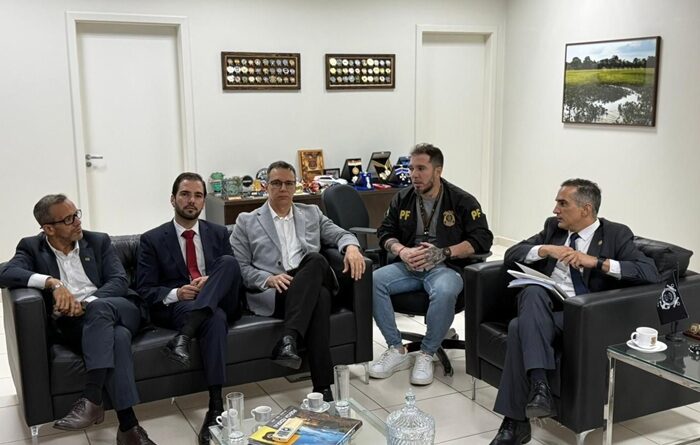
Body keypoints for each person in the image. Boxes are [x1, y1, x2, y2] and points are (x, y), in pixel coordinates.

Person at [489, 179, 660, 445]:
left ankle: (516, 421)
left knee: (518, 327)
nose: (555, 209)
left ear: (585, 209)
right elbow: (512, 253)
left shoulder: (616, 234)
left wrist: (596, 262)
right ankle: (539, 388)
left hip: (583, 315)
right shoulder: (553, 229)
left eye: (562, 203)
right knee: (532, 292)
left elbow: (649, 272)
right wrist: (546, 249)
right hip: (546, 307)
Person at [0, 194, 155, 445]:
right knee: (117, 337)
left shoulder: (98, 241)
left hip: (120, 308)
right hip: (78, 324)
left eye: (76, 214)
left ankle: (92, 397)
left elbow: (118, 281)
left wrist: (86, 304)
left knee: (100, 309)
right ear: (48, 228)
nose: (77, 222)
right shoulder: (31, 247)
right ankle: (129, 427)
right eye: (68, 219)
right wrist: (52, 283)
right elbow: (4, 272)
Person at [230, 161, 366, 401]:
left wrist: (352, 248)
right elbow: (239, 267)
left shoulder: (311, 213)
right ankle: (323, 390)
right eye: (276, 183)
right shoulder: (247, 221)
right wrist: (268, 279)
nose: (283, 188)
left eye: (288, 183)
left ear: (295, 187)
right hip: (278, 290)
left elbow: (341, 234)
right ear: (266, 187)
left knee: (315, 259)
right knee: (320, 297)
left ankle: (289, 338)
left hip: (309, 274)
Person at [370, 143, 493, 385]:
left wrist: (445, 252)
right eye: (411, 168)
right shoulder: (402, 198)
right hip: (408, 266)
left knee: (445, 290)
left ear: (438, 171)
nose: (414, 175)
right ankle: (396, 349)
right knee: (373, 281)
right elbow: (384, 232)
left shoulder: (462, 200)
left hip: (446, 268)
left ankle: (427, 353)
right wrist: (402, 250)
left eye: (421, 169)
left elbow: (482, 239)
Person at [136, 172, 242, 445]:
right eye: (185, 194)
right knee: (214, 318)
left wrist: (211, 282)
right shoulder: (151, 239)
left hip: (222, 299)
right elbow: (145, 290)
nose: (191, 200)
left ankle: (184, 336)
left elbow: (231, 275)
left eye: (197, 195)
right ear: (173, 199)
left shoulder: (218, 232)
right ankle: (216, 406)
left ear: (204, 201)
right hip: (184, 305)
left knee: (229, 263)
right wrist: (177, 293)